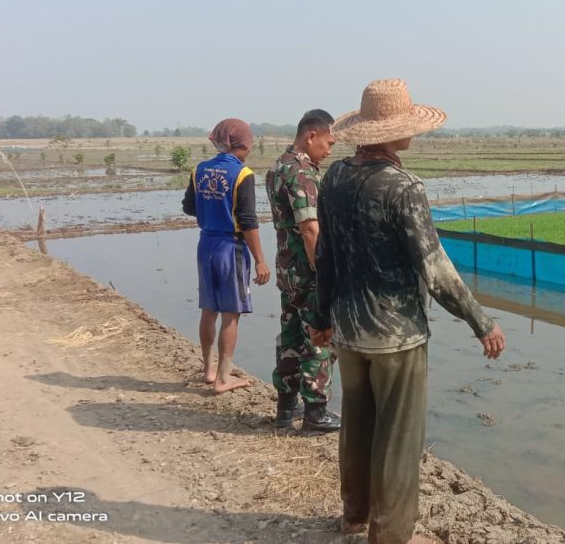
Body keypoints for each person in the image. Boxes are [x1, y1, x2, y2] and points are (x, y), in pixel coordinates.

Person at [311, 79, 506, 544]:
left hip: (348, 331)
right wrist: (481, 321)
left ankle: (354, 516)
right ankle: (391, 534)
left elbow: (326, 257)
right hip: (395, 336)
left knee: (357, 426)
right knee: (398, 439)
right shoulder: (403, 187)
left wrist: (320, 318)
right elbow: (435, 269)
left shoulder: (334, 179)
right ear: (395, 131)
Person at [181, 118, 271, 394]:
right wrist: (260, 260)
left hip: (206, 244)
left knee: (209, 310)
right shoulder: (243, 174)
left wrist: (212, 212)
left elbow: (189, 207)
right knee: (231, 313)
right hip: (231, 248)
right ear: (244, 143)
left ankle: (208, 370)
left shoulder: (200, 169)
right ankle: (222, 378)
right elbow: (248, 222)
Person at [265, 109, 341, 431]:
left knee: (291, 336)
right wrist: (325, 272)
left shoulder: (278, 166)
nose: (330, 150)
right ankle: (315, 411)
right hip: (307, 269)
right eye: (328, 142)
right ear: (311, 136)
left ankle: (286, 407)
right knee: (318, 337)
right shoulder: (301, 171)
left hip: (288, 269)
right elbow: (310, 228)